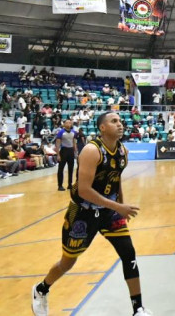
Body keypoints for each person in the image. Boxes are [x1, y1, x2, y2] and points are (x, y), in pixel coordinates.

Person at [31, 112, 151, 316]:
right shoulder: (91, 151)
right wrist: (117, 206)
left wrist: (120, 206)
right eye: (114, 121)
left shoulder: (123, 151)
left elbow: (116, 180)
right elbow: (84, 190)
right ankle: (41, 289)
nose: (120, 124)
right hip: (82, 213)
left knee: (128, 254)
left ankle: (138, 308)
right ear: (102, 127)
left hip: (109, 212)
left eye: (120, 121)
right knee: (68, 262)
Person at [55, 119, 78, 191]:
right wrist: (58, 155)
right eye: (67, 123)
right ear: (64, 124)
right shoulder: (61, 132)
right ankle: (60, 185)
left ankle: (70, 184)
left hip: (71, 151)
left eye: (70, 123)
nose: (68, 124)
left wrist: (76, 153)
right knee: (61, 169)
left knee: (71, 168)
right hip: (63, 151)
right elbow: (57, 144)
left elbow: (74, 143)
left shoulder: (74, 132)